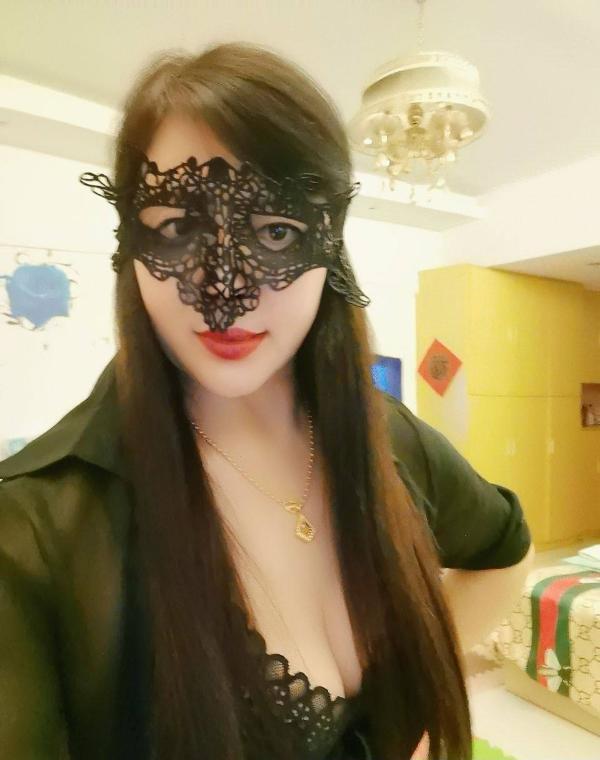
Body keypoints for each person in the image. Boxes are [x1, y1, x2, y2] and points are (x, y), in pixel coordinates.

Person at [0, 43, 533, 760]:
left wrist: (426, 703)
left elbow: (505, 549)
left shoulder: (387, 436)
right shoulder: (35, 527)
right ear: (131, 246)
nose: (225, 290)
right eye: (177, 229)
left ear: (329, 246)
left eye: (276, 232)